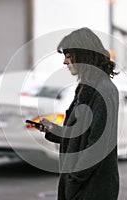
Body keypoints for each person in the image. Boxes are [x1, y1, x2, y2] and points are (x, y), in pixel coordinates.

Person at [39, 27, 119, 200]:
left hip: (93, 189)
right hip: (82, 187)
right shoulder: (86, 87)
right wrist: (53, 130)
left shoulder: (103, 90)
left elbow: (97, 146)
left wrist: (74, 180)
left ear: (83, 55)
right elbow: (80, 134)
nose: (65, 62)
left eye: (68, 56)